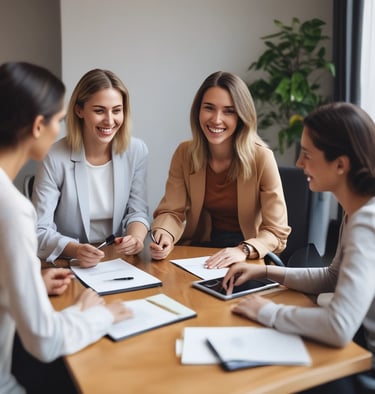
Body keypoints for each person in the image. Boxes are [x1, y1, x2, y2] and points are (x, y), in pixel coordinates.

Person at [222, 102, 375, 393]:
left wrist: (267, 312)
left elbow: (338, 326)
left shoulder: (367, 221)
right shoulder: (356, 210)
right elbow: (333, 277)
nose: (300, 164)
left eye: (306, 154)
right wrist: (265, 272)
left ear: (340, 164)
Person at [0, 61, 132, 394]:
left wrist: (30, 283)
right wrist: (98, 316)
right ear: (37, 125)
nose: (61, 130)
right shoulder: (12, 209)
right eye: (59, 121)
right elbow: (45, 341)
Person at [150, 71, 290, 266]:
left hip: (246, 254)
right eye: (209, 108)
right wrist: (164, 235)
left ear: (242, 116)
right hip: (197, 251)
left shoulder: (262, 158)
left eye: (229, 111)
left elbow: (276, 231)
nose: (216, 119)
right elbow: (172, 211)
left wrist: (244, 249)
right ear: (198, 110)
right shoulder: (184, 153)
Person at [32, 68, 150, 268]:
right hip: (69, 261)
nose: (110, 121)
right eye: (99, 110)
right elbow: (39, 229)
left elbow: (137, 211)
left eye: (116, 110)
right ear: (79, 110)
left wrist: (135, 238)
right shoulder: (53, 157)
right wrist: (75, 249)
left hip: (119, 260)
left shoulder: (136, 151)